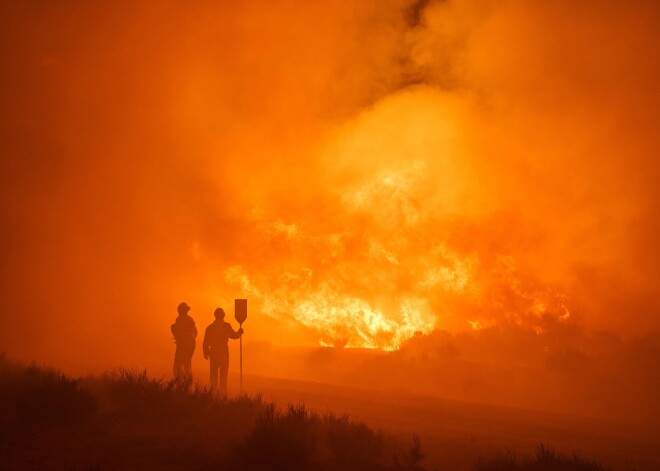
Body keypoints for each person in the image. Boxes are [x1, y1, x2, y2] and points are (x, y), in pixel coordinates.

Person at [203, 307, 243, 395]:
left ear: (215, 315)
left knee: (213, 376)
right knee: (223, 376)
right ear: (223, 316)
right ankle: (222, 394)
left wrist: (205, 352)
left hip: (214, 353)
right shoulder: (226, 326)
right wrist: (240, 332)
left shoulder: (210, 327)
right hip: (224, 354)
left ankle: (213, 394)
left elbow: (206, 342)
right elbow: (234, 336)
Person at [171, 301, 197, 380]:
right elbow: (195, 332)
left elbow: (178, 332)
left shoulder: (180, 319)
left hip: (184, 344)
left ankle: (180, 383)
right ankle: (187, 383)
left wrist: (181, 338)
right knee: (187, 363)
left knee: (177, 366)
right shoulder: (191, 319)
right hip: (191, 344)